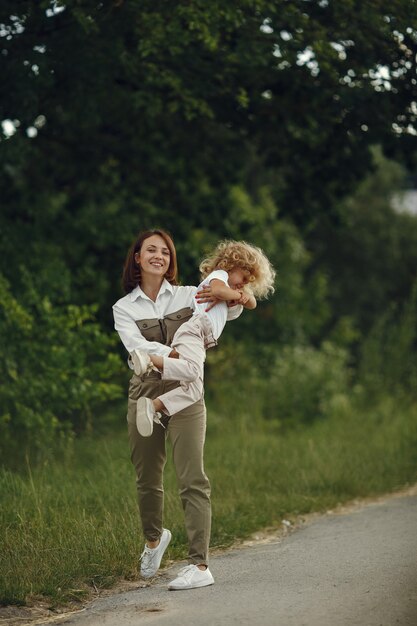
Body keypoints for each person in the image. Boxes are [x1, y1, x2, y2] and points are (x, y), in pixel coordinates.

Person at [112, 229, 244, 591]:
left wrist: (232, 294)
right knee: (147, 478)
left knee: (192, 478)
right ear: (137, 258)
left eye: (166, 252)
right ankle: (154, 540)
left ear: (171, 261)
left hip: (186, 391)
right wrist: (182, 356)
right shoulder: (123, 308)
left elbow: (231, 309)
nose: (159, 256)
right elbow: (137, 348)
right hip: (145, 391)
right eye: (151, 250)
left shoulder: (190, 293)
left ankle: (199, 566)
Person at [131, 240, 275, 438]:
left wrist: (238, 294)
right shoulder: (219, 275)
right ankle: (149, 360)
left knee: (193, 391)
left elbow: (252, 304)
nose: (244, 284)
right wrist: (231, 293)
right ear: (231, 265)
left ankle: (152, 406)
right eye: (244, 276)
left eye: (249, 282)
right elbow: (217, 291)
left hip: (201, 339)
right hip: (194, 330)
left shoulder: (231, 294)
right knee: (191, 371)